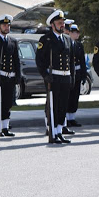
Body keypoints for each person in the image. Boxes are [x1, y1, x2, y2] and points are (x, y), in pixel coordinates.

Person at [36, 9, 75, 144]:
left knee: (63, 105)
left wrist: (72, 78)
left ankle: (59, 131)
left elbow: (71, 61)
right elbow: (39, 60)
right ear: (52, 25)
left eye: (63, 22)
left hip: (65, 77)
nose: (62, 25)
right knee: (53, 105)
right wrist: (45, 75)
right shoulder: (46, 39)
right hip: (54, 77)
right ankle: (52, 130)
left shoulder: (68, 39)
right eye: (59, 23)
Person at [0, 14, 21, 137]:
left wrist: (18, 76)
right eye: (4, 25)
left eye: (8, 25)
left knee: (8, 103)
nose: (7, 27)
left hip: (10, 76)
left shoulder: (12, 41)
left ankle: (5, 127)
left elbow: (16, 60)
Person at [64, 24, 87, 129]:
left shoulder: (79, 45)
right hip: (68, 73)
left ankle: (71, 118)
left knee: (75, 96)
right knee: (67, 96)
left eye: (77, 32)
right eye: (74, 32)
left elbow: (82, 61)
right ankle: (65, 118)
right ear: (69, 33)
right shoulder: (66, 43)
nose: (77, 34)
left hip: (77, 73)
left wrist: (83, 75)